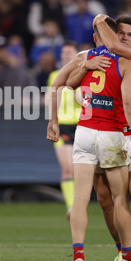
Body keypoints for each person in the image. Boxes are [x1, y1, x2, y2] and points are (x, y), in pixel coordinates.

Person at [48, 15, 131, 261]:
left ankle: (79, 257)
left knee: (80, 198)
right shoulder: (127, 60)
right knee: (120, 199)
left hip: (84, 133)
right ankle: (127, 257)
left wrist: (53, 122)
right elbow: (128, 102)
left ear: (96, 37)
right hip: (111, 135)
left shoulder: (85, 57)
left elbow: (61, 84)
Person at [69, 16, 131, 261]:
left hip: (125, 133)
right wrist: (86, 66)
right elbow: (66, 83)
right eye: (119, 33)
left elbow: (67, 85)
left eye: (129, 35)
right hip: (113, 134)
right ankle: (123, 253)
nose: (123, 38)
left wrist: (99, 22)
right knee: (107, 199)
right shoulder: (102, 58)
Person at [46, 41, 81, 219]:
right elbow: (51, 98)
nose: (67, 56)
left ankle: (79, 204)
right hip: (63, 125)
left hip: (82, 126)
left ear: (77, 55)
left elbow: (85, 100)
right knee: (67, 169)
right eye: (64, 53)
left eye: (70, 53)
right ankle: (71, 207)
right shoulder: (55, 75)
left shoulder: (84, 74)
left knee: (80, 169)